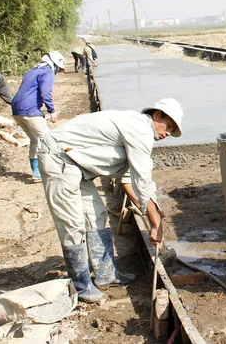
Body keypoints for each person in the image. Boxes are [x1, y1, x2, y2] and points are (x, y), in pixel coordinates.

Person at [38, 98, 183, 302]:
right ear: (157, 115)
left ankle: (106, 274)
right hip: (59, 158)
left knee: (96, 214)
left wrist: (147, 210)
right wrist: (155, 221)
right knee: (72, 223)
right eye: (168, 126)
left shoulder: (136, 131)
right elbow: (142, 179)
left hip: (76, 164)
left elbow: (128, 179)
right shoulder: (140, 128)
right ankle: (81, 286)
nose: (167, 133)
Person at [12, 51, 66, 181]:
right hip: (30, 110)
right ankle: (55, 169)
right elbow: (46, 93)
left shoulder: (31, 71)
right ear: (54, 64)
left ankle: (36, 172)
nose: (57, 72)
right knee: (48, 139)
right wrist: (52, 111)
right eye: (58, 69)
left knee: (35, 140)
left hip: (16, 110)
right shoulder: (47, 72)